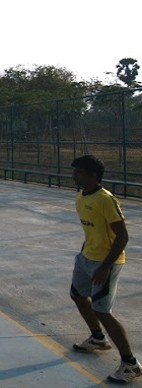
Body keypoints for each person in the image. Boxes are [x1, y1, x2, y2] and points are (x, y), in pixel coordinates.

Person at [69, 155, 141, 384]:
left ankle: (131, 363)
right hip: (86, 258)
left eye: (79, 171)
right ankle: (98, 338)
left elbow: (123, 237)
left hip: (106, 263)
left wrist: (105, 267)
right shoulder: (80, 197)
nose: (74, 175)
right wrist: (83, 255)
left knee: (102, 310)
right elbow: (91, 231)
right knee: (78, 295)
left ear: (92, 175)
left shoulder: (105, 199)